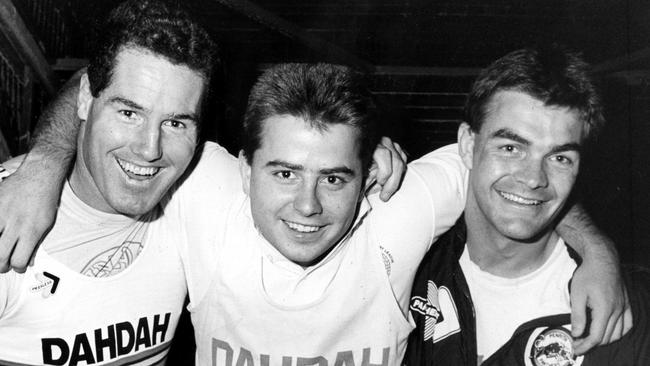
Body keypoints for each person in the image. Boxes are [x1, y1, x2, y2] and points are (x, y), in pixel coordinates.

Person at [0, 44, 630, 366]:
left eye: (334, 177)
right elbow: (110, 99)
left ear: (367, 176)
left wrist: (594, 247)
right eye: (282, 172)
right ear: (243, 170)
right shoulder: (204, 184)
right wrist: (43, 164)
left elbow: (522, 172)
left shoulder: (399, 207)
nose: (307, 205)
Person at [0, 0, 219, 364]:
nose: (150, 149)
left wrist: (47, 156)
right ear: (86, 99)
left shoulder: (194, 193)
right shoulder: (8, 214)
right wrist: (43, 161)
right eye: (129, 112)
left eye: (176, 123)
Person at [405, 46, 647, 366]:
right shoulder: (409, 265)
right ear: (467, 145)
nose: (534, 178)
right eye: (510, 147)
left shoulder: (625, 310)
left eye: (560, 158)